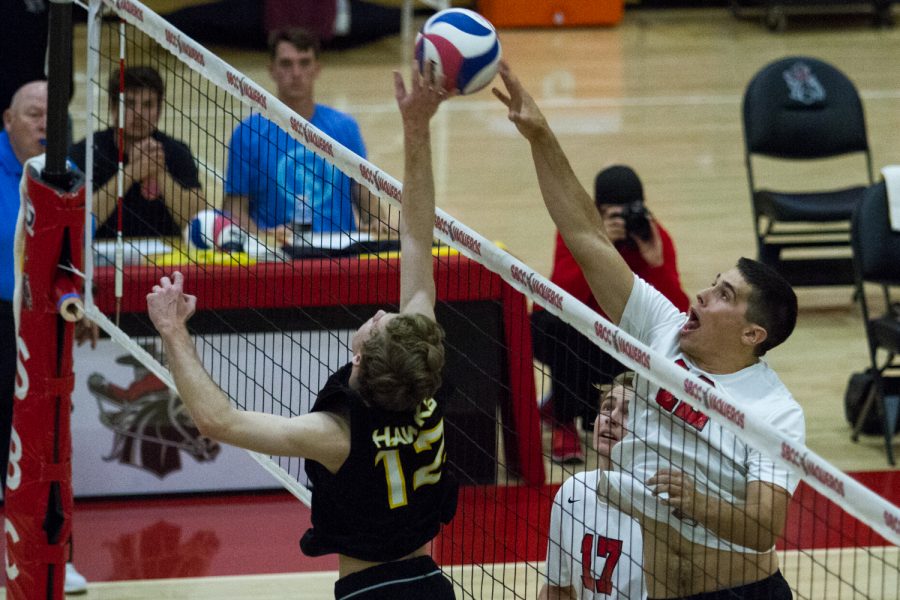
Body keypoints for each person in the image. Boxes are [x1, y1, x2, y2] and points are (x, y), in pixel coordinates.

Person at [494, 62, 805, 600]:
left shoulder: (775, 412)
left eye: (724, 295)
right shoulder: (660, 331)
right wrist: (541, 135)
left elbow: (763, 526)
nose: (704, 294)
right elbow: (586, 235)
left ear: (754, 334)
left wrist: (696, 500)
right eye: (713, 284)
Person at [147, 63, 457, 599]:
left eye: (380, 323)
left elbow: (215, 420)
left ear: (360, 356)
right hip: (433, 584)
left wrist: (173, 330)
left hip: (370, 593)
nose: (382, 314)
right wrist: (417, 129)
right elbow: (416, 235)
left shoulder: (333, 435)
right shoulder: (419, 379)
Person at [532, 164, 689, 464]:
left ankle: (563, 404)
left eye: (628, 213)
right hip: (565, 334)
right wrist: (597, 247)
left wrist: (655, 265)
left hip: (617, 342)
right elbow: (562, 299)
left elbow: (675, 315)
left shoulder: (655, 238)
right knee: (568, 329)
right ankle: (565, 422)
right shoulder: (578, 231)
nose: (623, 222)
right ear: (596, 210)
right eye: (613, 214)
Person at [1, 80, 90, 595]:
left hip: (46, 321)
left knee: (50, 441)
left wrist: (86, 299)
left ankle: (59, 553)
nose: (44, 125)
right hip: (1, 320)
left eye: (52, 117)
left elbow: (83, 234)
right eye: (34, 115)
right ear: (8, 120)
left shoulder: (67, 172)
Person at [223, 28, 383, 245]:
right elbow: (233, 210)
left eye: (304, 63)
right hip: (279, 257)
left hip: (340, 256)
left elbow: (364, 195)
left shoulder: (344, 128)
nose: (296, 73)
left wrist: (377, 222)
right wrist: (262, 238)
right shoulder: (248, 133)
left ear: (317, 69)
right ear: (272, 70)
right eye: (287, 64)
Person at [541, 375, 645, 600]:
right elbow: (556, 589)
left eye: (627, 412)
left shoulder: (657, 507)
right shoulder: (572, 492)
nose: (611, 418)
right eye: (607, 407)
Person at [70, 66, 203, 239]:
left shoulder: (177, 152)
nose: (139, 113)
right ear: (113, 107)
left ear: (159, 110)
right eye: (129, 104)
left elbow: (199, 223)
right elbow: (78, 224)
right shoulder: (86, 152)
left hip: (164, 260)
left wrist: (160, 172)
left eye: (148, 105)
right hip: (101, 258)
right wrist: (130, 173)